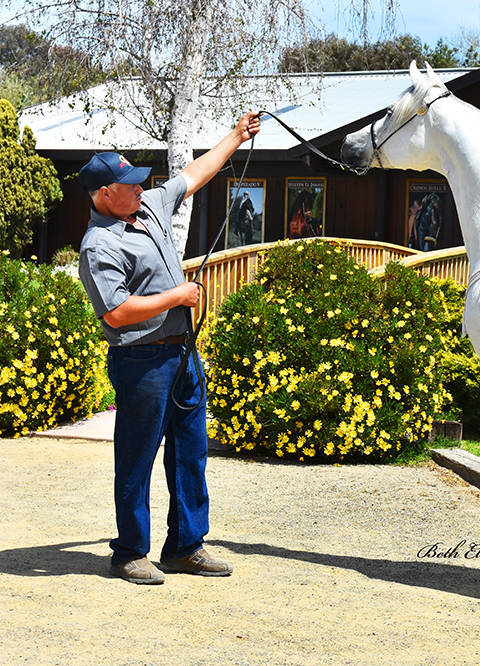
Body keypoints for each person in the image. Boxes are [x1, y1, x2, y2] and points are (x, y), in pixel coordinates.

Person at [77, 112, 261, 584]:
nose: (140, 188)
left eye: (139, 182)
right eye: (129, 185)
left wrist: (237, 137)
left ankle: (184, 547)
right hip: (140, 359)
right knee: (137, 457)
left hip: (182, 354)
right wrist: (177, 296)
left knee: (190, 452)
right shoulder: (98, 246)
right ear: (103, 195)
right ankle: (129, 553)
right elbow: (115, 314)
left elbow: (195, 174)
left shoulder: (151, 206)